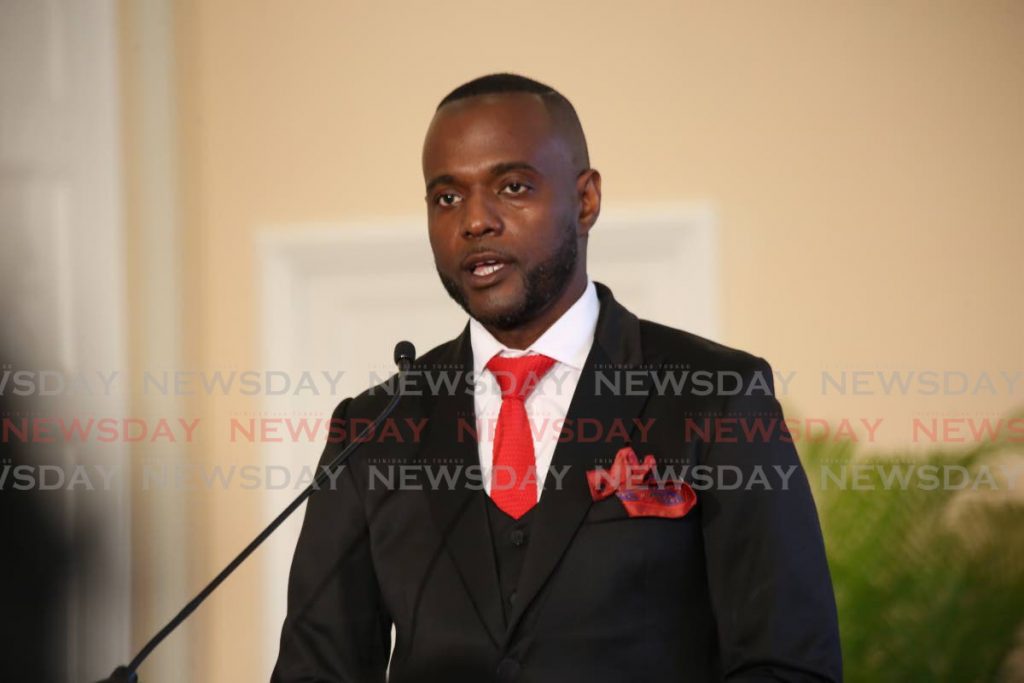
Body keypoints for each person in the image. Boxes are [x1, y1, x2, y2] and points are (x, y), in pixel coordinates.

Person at [272, 73, 841, 683]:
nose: (475, 221)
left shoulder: (717, 395)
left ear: (586, 200)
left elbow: (788, 665)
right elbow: (317, 670)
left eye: (513, 186)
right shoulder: (372, 427)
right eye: (446, 198)